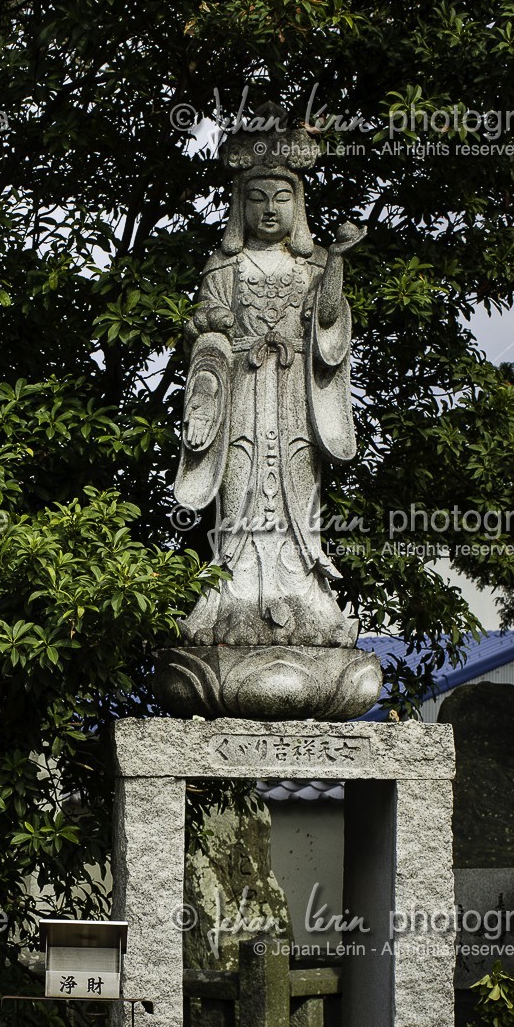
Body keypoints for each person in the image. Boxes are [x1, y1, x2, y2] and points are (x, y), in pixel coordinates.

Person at [175, 123, 365, 650]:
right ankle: (230, 598)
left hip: (295, 401)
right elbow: (203, 328)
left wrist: (340, 262)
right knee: (237, 488)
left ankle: (306, 598)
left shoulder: (316, 265)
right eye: (255, 198)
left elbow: (328, 320)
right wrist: (213, 327)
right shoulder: (223, 265)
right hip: (241, 398)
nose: (269, 209)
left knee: (299, 489)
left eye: (282, 197)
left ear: (298, 204)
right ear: (240, 204)